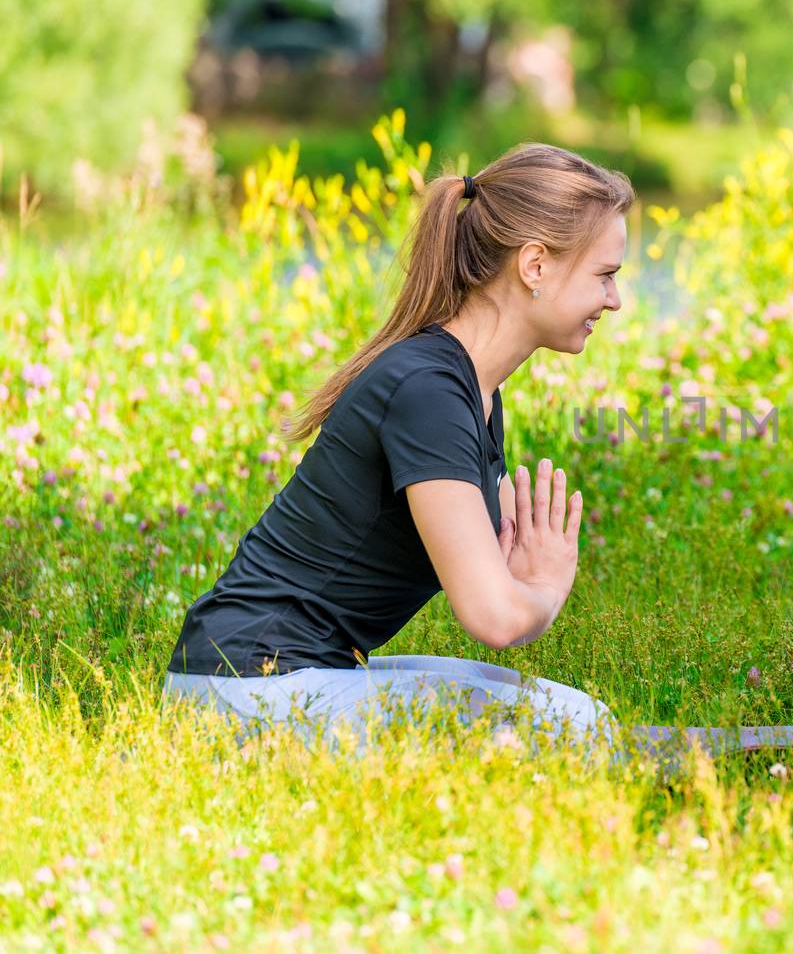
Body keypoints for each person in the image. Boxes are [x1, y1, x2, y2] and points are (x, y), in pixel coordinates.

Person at [164, 142, 631, 752]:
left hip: (280, 677)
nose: (614, 300)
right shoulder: (427, 391)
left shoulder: (466, 387)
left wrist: (514, 584)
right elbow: (494, 618)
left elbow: (490, 592)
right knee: (570, 727)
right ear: (535, 265)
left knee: (558, 709)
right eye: (605, 275)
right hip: (249, 687)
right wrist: (538, 591)